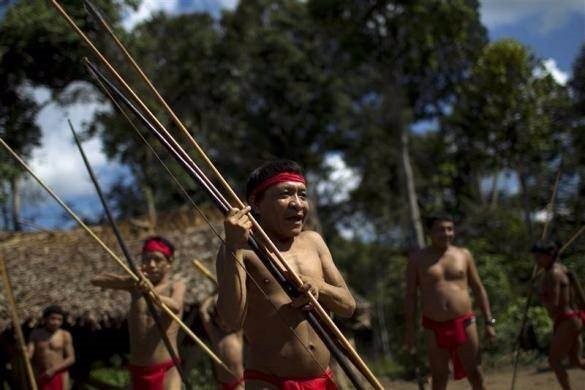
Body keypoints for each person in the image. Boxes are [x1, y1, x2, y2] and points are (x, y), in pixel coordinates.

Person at [216, 159, 356, 389]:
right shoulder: (241, 248)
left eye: (302, 194)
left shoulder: (314, 241)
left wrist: (317, 287)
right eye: (285, 194)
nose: (298, 203)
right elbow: (230, 321)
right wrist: (232, 247)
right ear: (256, 204)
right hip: (268, 382)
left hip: (322, 379)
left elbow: (348, 306)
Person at [404, 214, 496, 390]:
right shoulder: (417, 259)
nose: (446, 233)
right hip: (433, 324)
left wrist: (489, 321)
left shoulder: (464, 254)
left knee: (475, 373)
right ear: (429, 232)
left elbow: (478, 288)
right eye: (440, 229)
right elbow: (410, 296)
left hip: (465, 321)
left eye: (449, 229)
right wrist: (410, 331)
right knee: (439, 377)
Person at [91, 236, 186, 389]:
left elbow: (175, 307)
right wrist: (128, 280)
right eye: (146, 259)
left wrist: (151, 292)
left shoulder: (176, 286)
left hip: (166, 368)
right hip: (138, 369)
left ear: (169, 263)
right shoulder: (135, 285)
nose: (151, 265)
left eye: (157, 260)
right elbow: (96, 280)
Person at [532, 240, 585, 390]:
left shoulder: (553, 273)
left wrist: (538, 292)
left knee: (554, 361)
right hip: (572, 320)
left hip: (567, 320)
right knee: (576, 361)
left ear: (549, 256)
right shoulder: (560, 269)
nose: (536, 260)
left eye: (539, 256)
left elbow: (554, 303)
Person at [199, 293, 245, 389]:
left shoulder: (237, 333)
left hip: (238, 382)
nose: (224, 324)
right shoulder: (215, 334)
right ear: (216, 320)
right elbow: (202, 311)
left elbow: (242, 310)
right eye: (221, 321)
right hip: (222, 384)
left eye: (226, 321)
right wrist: (212, 298)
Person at [27, 305, 75, 390]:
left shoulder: (65, 335)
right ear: (45, 319)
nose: (56, 322)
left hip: (59, 374)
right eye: (53, 318)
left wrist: (53, 369)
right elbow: (29, 355)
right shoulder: (35, 334)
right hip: (41, 374)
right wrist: (24, 352)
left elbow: (71, 358)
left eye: (59, 319)